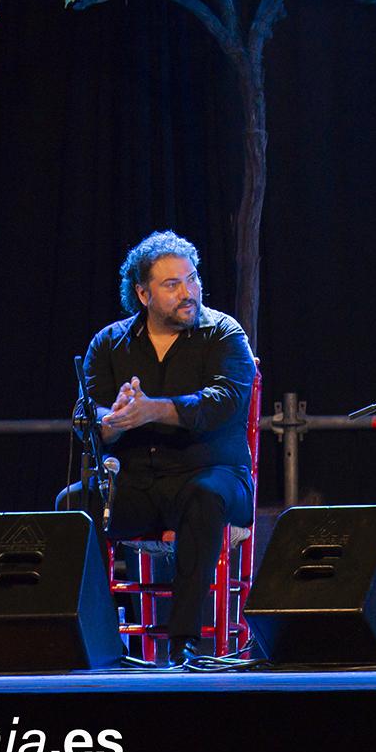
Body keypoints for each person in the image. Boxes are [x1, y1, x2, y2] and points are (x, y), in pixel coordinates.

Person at [57, 231, 255, 665]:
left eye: (192, 279)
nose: (189, 293)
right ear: (143, 294)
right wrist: (112, 422)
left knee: (206, 496)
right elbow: (90, 414)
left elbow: (221, 404)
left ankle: (185, 644)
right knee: (75, 501)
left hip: (212, 474)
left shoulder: (224, 333)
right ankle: (100, 641)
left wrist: (154, 411)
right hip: (139, 481)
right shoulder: (109, 344)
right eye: (173, 285)